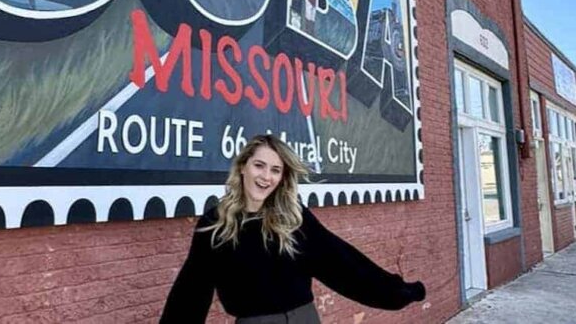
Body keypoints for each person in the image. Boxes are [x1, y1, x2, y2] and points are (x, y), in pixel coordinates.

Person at [160, 135, 426, 323]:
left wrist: (395, 291)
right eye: (259, 166)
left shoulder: (293, 218)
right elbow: (189, 297)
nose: (266, 177)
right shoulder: (215, 224)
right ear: (243, 167)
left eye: (276, 170)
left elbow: (343, 264)